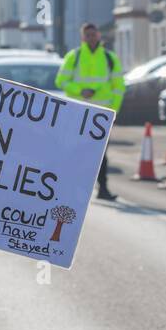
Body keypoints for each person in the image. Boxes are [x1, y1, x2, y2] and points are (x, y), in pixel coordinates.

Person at [56, 22, 125, 200]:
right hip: (79, 115)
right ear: (82, 37)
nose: (91, 37)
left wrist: (113, 112)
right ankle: (68, 188)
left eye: (93, 34)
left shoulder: (110, 58)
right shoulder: (74, 56)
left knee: (101, 154)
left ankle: (103, 189)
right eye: (88, 35)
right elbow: (61, 81)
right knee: (76, 152)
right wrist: (80, 91)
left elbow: (119, 88)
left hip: (102, 116)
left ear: (99, 36)